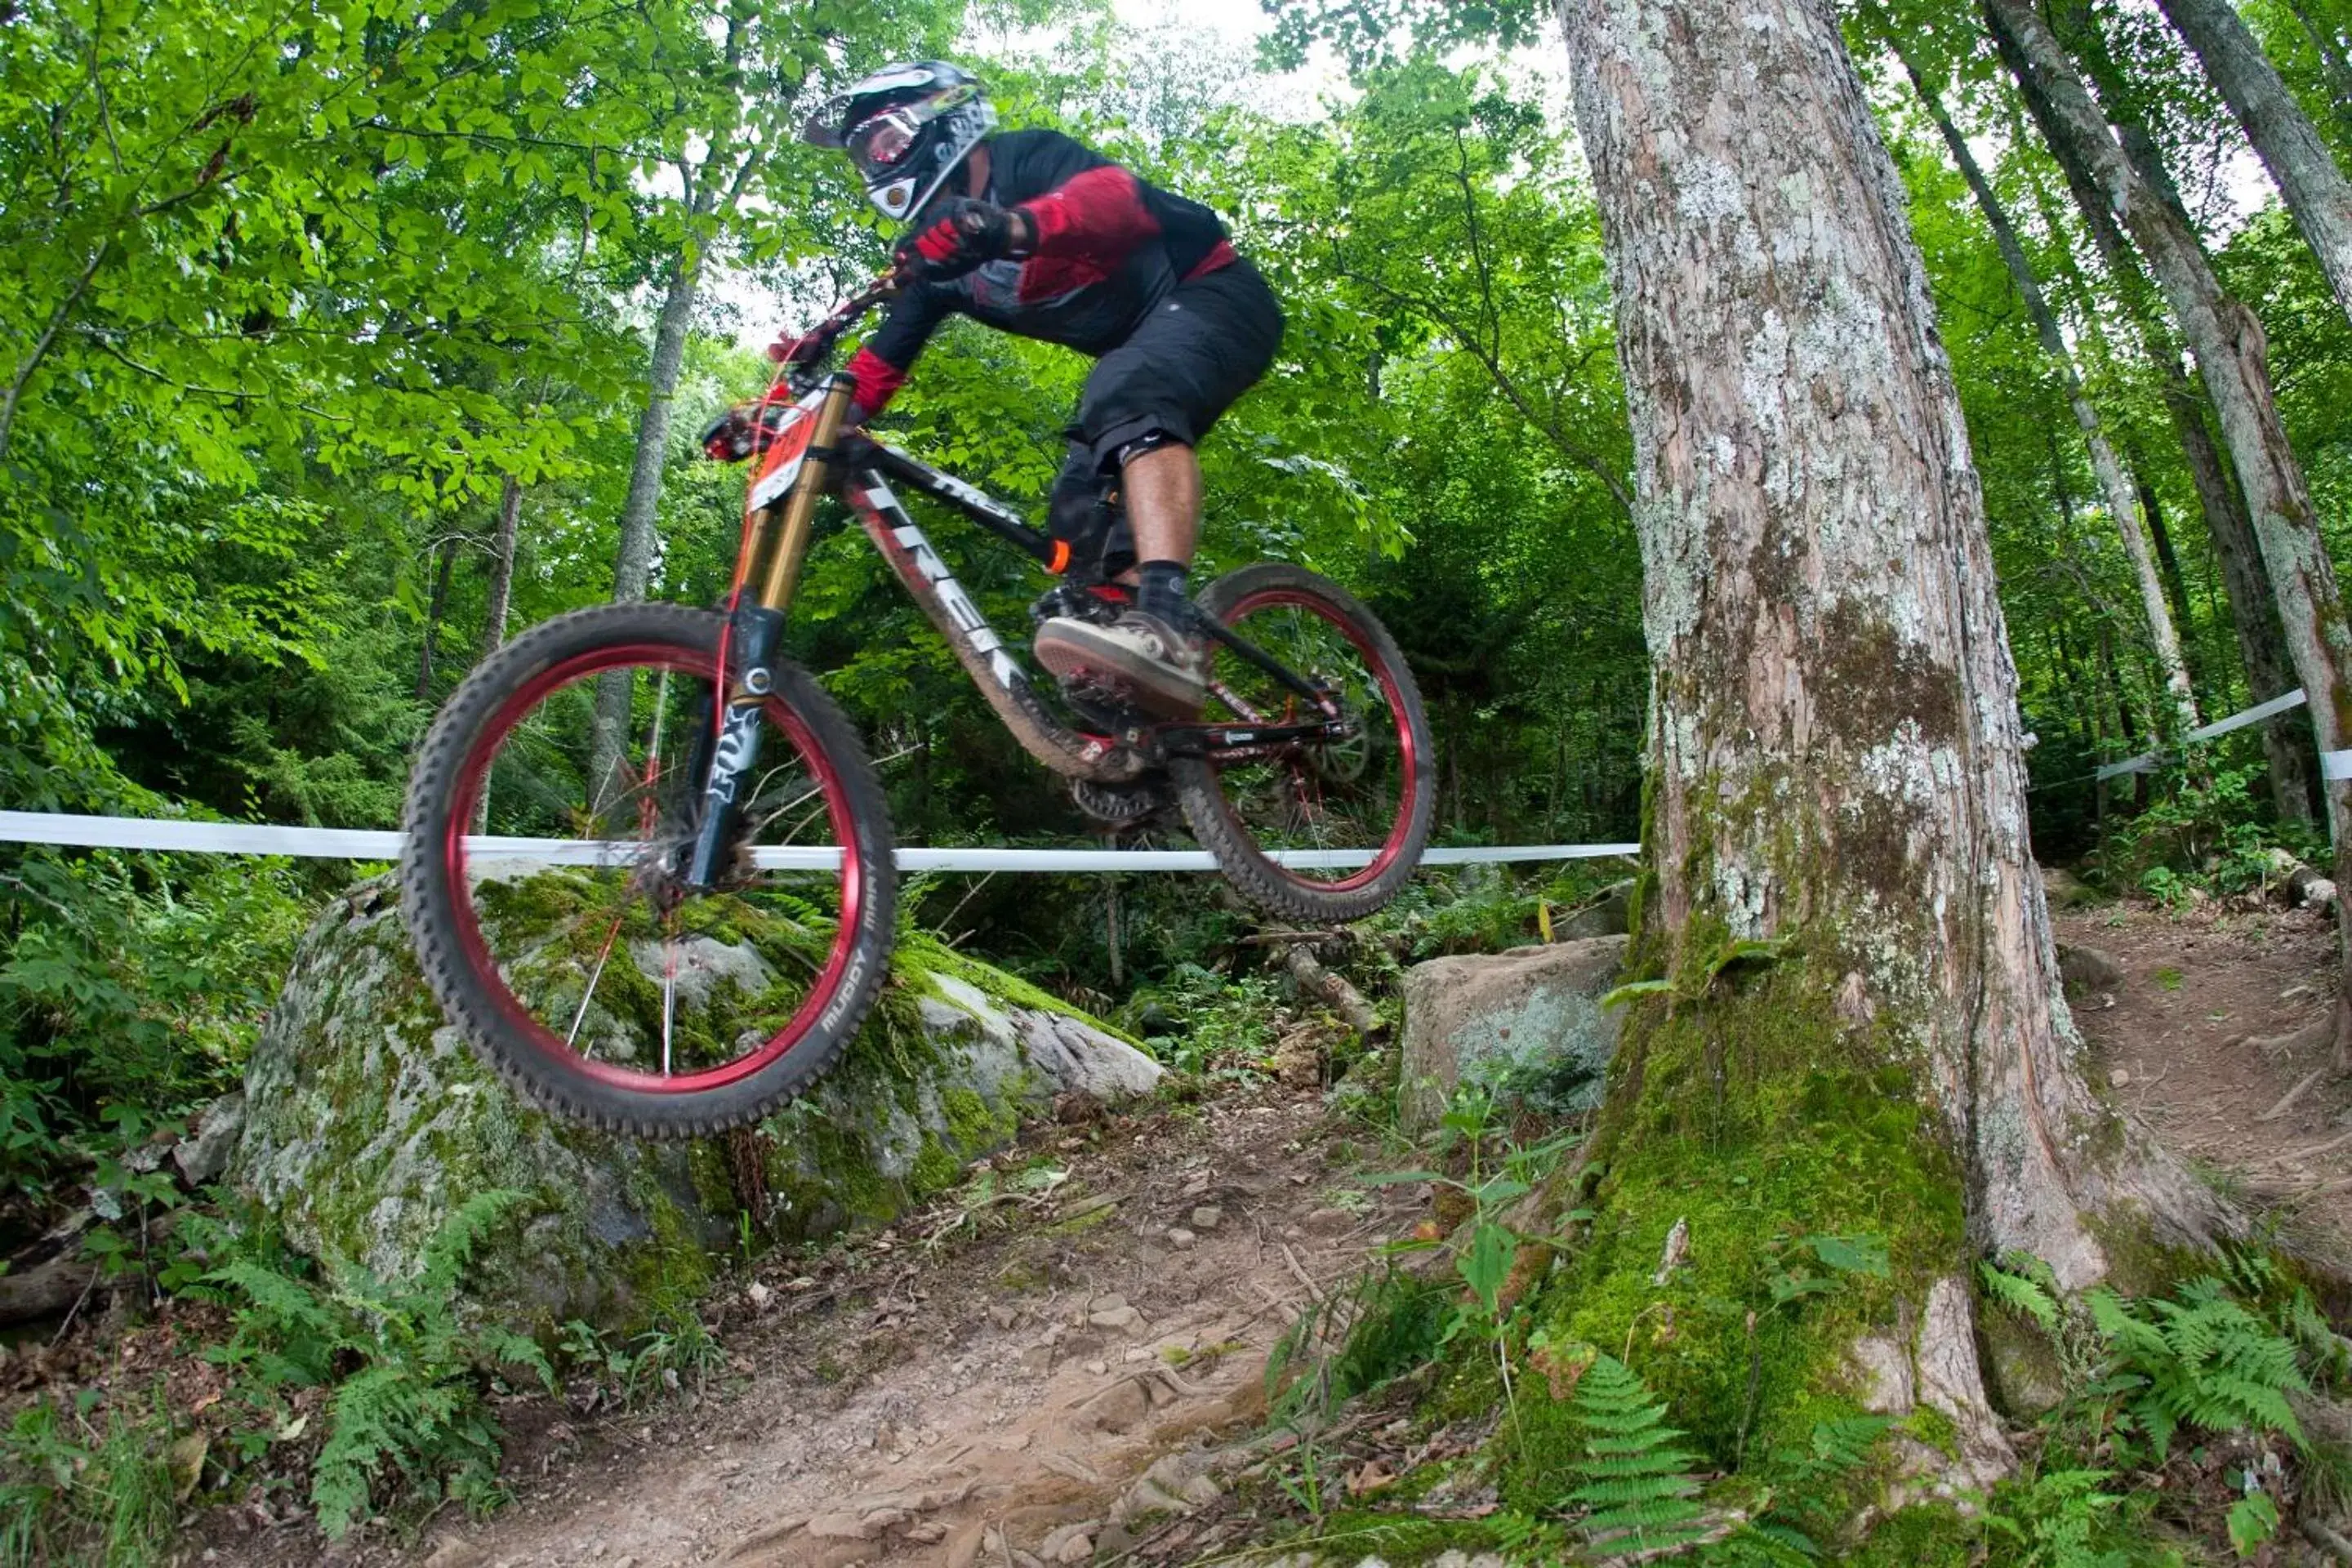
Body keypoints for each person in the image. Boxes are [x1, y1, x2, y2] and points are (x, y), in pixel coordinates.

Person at [792, 60, 1284, 718]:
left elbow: (1115, 199)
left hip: (1217, 296)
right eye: (862, 155)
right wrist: (781, 417)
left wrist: (1006, 228)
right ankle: (1145, 732)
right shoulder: (934, 265)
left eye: (883, 140)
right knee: (1078, 519)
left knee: (1123, 391)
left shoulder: (1024, 158)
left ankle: (1167, 621)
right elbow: (875, 373)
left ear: (936, 121)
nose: (875, 162)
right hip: (1144, 351)